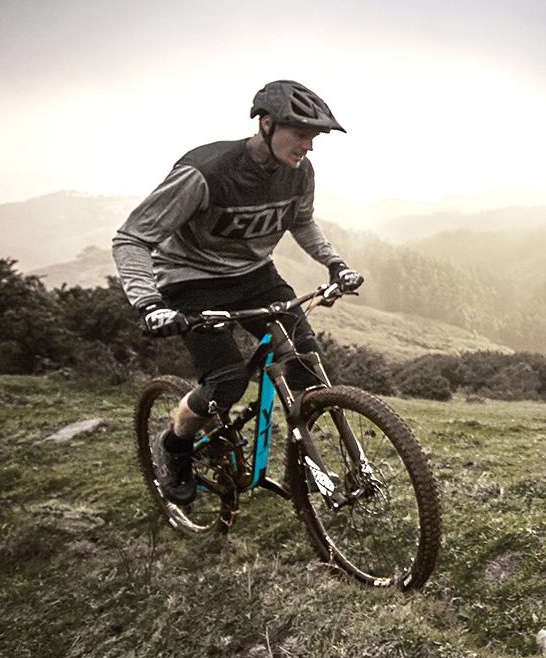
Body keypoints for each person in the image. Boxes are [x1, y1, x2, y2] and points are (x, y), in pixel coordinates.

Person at [112, 79, 363, 505]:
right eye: (301, 133)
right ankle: (173, 449)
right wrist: (150, 304)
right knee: (226, 383)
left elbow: (300, 221)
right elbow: (131, 238)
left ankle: (307, 459)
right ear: (266, 124)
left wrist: (335, 262)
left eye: (314, 137)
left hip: (255, 276)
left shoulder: (299, 172)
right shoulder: (204, 173)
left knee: (306, 363)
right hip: (191, 281)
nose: (310, 146)